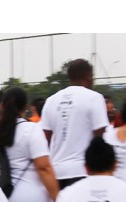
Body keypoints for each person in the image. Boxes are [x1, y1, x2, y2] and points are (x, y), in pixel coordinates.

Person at [41, 59, 109, 190]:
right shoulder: (95, 98)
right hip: (83, 171)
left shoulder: (51, 101)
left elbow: (45, 141)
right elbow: (99, 138)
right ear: (89, 76)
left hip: (56, 172)